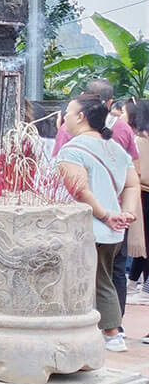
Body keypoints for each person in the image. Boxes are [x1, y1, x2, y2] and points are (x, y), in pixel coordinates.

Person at [57, 93, 139, 352]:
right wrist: (126, 213)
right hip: (114, 231)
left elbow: (79, 190)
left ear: (81, 117)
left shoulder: (73, 150)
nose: (65, 119)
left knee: (97, 281)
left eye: (68, 114)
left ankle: (112, 334)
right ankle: (104, 332)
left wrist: (104, 215)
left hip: (88, 228)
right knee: (103, 278)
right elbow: (132, 184)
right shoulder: (116, 149)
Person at [126, 98, 149, 308]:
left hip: (142, 193)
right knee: (143, 242)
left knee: (144, 241)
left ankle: (144, 288)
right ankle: (134, 284)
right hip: (141, 192)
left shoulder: (139, 141)